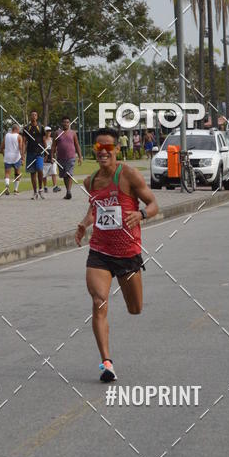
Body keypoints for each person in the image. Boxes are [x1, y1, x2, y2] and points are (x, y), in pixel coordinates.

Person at [75, 127, 158, 382]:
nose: (102, 152)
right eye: (98, 148)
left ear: (116, 149)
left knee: (135, 308)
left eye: (107, 147)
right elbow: (95, 209)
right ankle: (106, 362)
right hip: (100, 251)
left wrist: (141, 214)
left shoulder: (129, 175)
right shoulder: (90, 182)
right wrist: (84, 224)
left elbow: (153, 204)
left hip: (128, 253)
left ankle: (108, 357)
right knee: (99, 301)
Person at [52, 116, 82, 200]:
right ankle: (67, 191)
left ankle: (69, 191)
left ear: (69, 123)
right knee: (64, 175)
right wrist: (51, 156)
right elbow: (53, 146)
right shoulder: (57, 133)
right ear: (62, 123)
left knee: (69, 173)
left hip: (71, 157)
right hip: (60, 158)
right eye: (64, 122)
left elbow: (77, 145)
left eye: (67, 122)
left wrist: (80, 157)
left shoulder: (73, 133)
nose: (66, 123)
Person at [23, 111, 45, 200]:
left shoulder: (41, 127)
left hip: (39, 152)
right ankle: (35, 192)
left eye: (35, 115)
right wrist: (22, 154)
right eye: (32, 115)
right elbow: (24, 142)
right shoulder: (26, 128)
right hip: (30, 152)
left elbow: (44, 140)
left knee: (40, 169)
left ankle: (40, 189)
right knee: (32, 173)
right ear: (30, 116)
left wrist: (46, 152)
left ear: (37, 116)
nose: (34, 116)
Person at [0, 123, 23, 195]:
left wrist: (4, 155)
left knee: (7, 173)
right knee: (17, 174)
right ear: (15, 129)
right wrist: (22, 158)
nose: (19, 131)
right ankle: (16, 190)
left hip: (7, 157)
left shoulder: (6, 136)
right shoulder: (19, 136)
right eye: (18, 129)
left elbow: (2, 147)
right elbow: (20, 148)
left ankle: (7, 186)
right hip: (16, 157)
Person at [41, 126, 61, 193]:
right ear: (45, 132)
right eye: (47, 131)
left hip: (52, 158)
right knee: (44, 174)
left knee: (54, 172)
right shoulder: (42, 140)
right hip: (45, 158)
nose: (49, 132)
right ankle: (45, 187)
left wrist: (55, 155)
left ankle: (55, 186)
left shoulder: (52, 139)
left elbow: (55, 149)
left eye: (49, 131)